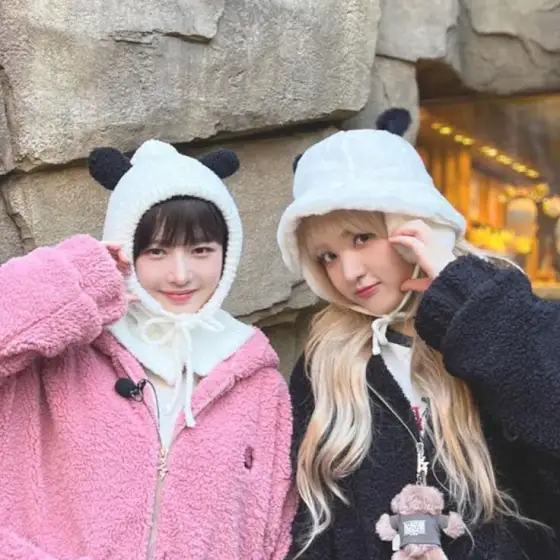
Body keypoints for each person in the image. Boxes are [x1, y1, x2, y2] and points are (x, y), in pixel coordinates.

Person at [276, 108, 560, 559]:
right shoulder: (324, 361)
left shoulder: (500, 322)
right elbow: (308, 523)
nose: (349, 272)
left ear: (412, 223)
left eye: (362, 238)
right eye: (327, 256)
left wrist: (463, 296)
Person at [0, 140, 294, 559]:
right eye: (157, 251)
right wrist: (83, 276)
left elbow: (273, 533)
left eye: (201, 250)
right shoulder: (64, 351)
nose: (181, 274)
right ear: (126, 249)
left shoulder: (257, 380)